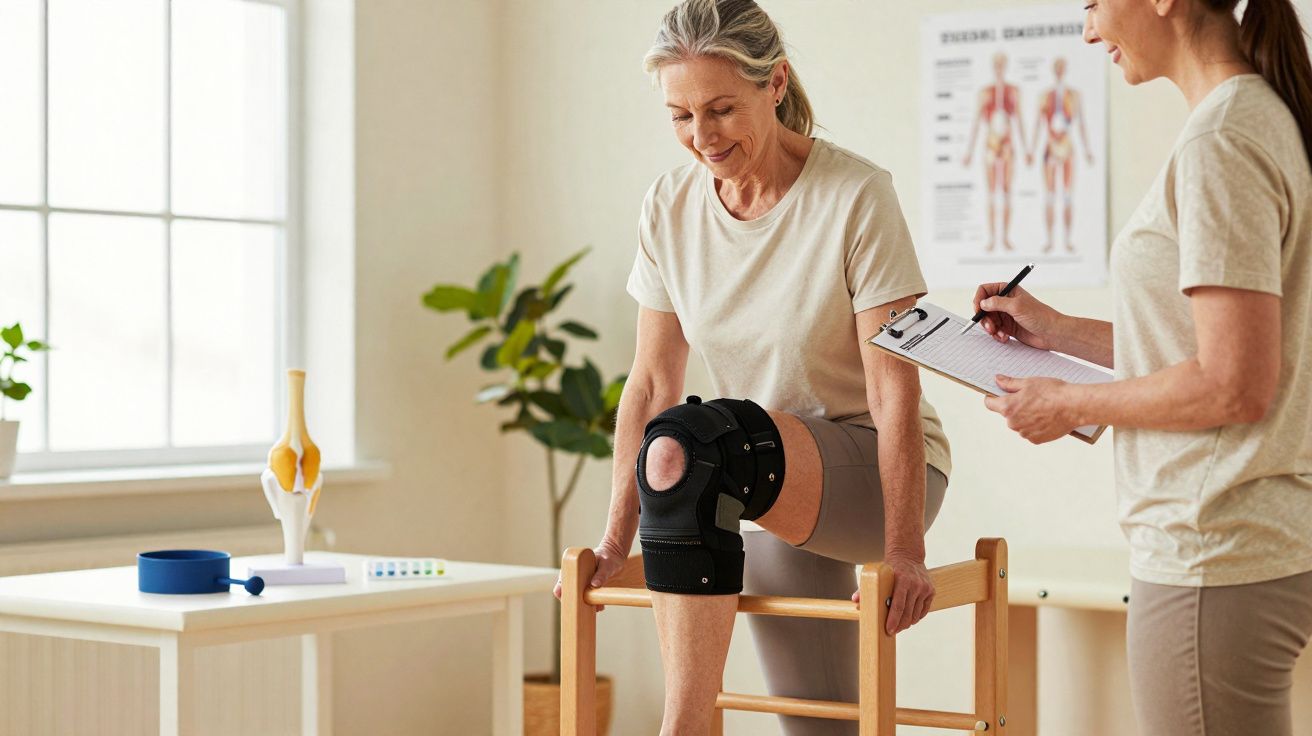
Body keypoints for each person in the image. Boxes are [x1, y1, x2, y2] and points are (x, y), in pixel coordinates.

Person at [550, 1, 952, 733]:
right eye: (680, 116)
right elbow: (648, 383)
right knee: (820, 722)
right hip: (747, 477)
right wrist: (615, 539)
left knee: (689, 442)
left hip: (869, 470)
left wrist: (906, 551)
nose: (702, 137)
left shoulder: (856, 196)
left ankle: (683, 729)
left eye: (721, 108)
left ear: (775, 85)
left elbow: (896, 390)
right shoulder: (668, 208)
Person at [973, 1, 1312, 733]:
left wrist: (1071, 404)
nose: (1087, 29)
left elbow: (1234, 383)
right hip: (1242, 542)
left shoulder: (1223, 138)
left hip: (1210, 551)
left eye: (1093, 4)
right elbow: (1210, 349)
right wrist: (1057, 331)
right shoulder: (1254, 120)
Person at [963, 52, 1028, 253]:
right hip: (991, 145)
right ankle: (992, 238)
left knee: (1006, 192)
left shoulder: (1013, 91)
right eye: (996, 64)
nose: (999, 67)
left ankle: (1005, 237)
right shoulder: (985, 93)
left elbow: (1019, 120)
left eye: (1002, 64)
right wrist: (969, 151)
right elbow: (976, 122)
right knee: (992, 193)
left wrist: (1026, 149)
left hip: (1007, 144)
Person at [1029, 57, 1094, 253]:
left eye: (1061, 68)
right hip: (1049, 147)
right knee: (1049, 196)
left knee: (1066, 196)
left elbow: (1081, 123)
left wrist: (1087, 150)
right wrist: (1031, 150)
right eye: (1056, 68)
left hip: (1067, 147)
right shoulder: (1044, 96)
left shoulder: (1074, 95)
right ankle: (1049, 240)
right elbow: (1037, 124)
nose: (1059, 71)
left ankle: (1066, 240)